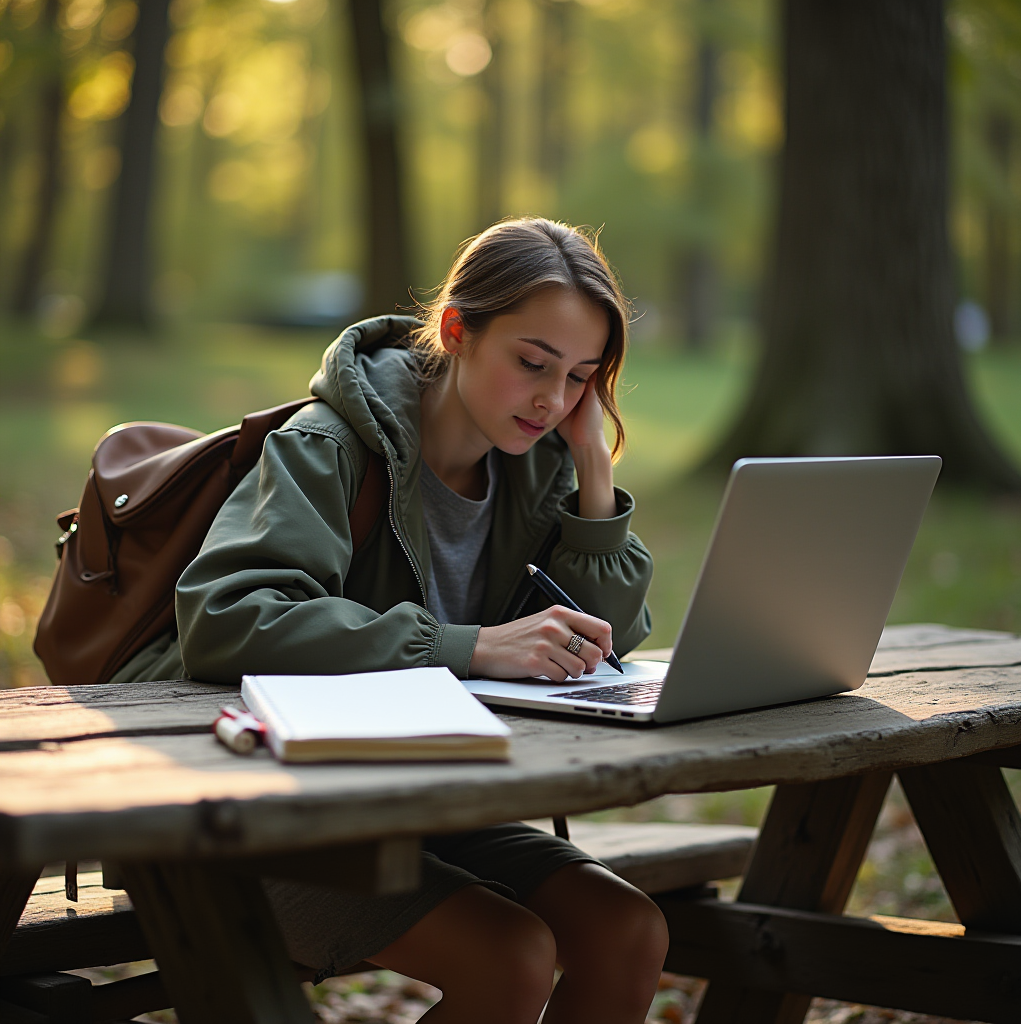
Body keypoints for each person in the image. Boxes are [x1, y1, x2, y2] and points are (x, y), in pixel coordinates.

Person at [115, 217, 668, 1023]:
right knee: (512, 956)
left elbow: (611, 635)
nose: (554, 400)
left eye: (582, 377)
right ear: (456, 331)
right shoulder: (328, 447)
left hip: (420, 798)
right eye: (531, 363)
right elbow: (229, 616)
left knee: (628, 930)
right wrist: (465, 647)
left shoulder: (536, 466)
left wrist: (591, 467)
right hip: (257, 810)